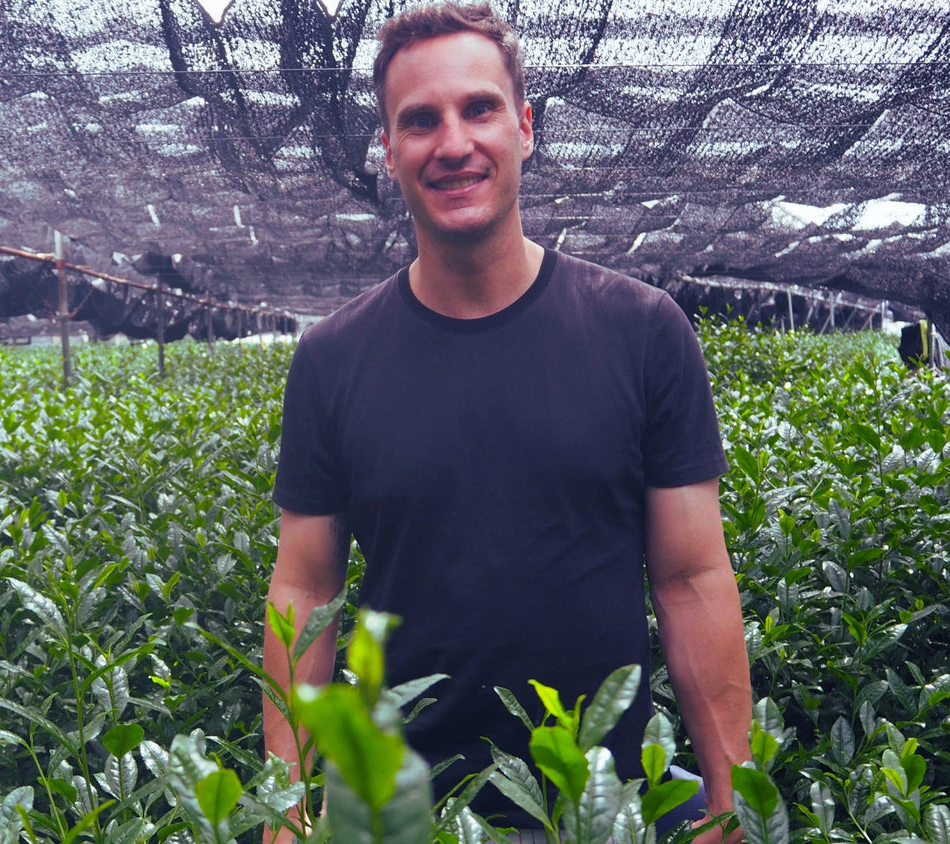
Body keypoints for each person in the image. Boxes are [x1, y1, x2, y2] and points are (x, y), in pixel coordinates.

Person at [262, 2, 753, 842]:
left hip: (604, 803)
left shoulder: (642, 331)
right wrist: (288, 806)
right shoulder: (332, 358)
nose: (453, 143)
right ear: (389, 150)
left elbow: (692, 577)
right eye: (420, 120)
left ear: (524, 128)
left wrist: (728, 801)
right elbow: (304, 588)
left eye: (479, 109)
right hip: (404, 810)